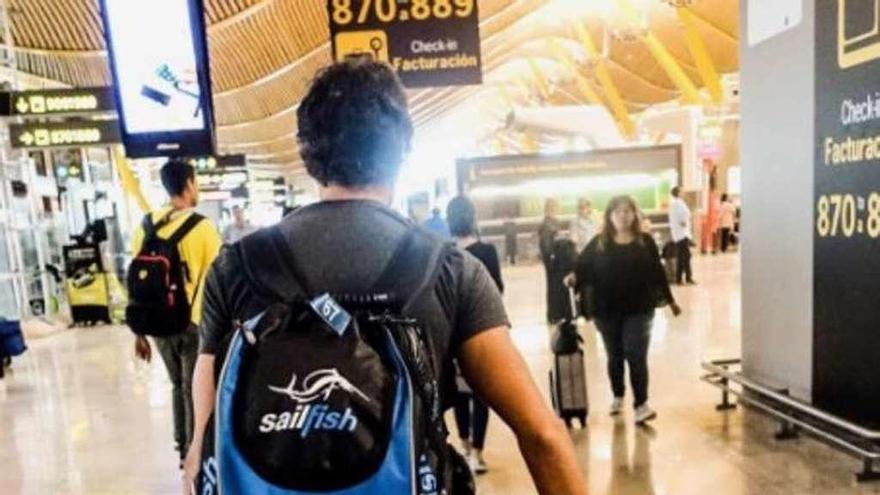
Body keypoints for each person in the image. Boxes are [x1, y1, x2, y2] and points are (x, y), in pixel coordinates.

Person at [183, 59, 586, 494]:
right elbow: (542, 436)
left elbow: (201, 454)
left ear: (306, 151)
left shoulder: (236, 267)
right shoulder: (449, 271)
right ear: (401, 149)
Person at [131, 159, 222, 464]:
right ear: (188, 184)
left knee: (177, 385)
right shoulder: (204, 228)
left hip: (157, 321)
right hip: (194, 322)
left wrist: (138, 332)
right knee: (193, 388)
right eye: (195, 182)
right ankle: (196, 449)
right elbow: (218, 278)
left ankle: (182, 447)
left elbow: (136, 280)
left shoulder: (145, 226)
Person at [572, 196, 682, 425]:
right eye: (618, 211)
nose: (623, 215)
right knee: (615, 355)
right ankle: (618, 395)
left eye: (627, 211)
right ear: (610, 216)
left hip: (640, 309)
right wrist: (574, 277)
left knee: (636, 354)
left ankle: (641, 404)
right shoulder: (600, 242)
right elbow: (583, 266)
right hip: (607, 310)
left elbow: (657, 273)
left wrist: (670, 301)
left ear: (634, 214)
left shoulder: (645, 242)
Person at [446, 196, 503, 475]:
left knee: (459, 395)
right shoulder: (487, 251)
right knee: (481, 393)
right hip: (483, 332)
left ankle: (465, 445)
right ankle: (477, 452)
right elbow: (497, 290)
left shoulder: (443, 253)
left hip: (450, 336)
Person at [538, 198, 566, 322]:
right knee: (554, 286)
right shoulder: (549, 223)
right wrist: (551, 256)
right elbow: (546, 243)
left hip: (550, 257)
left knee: (553, 285)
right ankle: (554, 314)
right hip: (552, 258)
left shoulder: (549, 222)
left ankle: (554, 314)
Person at [668, 187, 696, 285]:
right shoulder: (678, 204)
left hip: (681, 234)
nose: (684, 192)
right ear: (678, 193)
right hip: (681, 234)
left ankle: (684, 278)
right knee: (683, 257)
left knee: (685, 256)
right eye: (682, 191)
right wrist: (684, 223)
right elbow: (681, 218)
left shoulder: (677, 203)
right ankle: (683, 278)